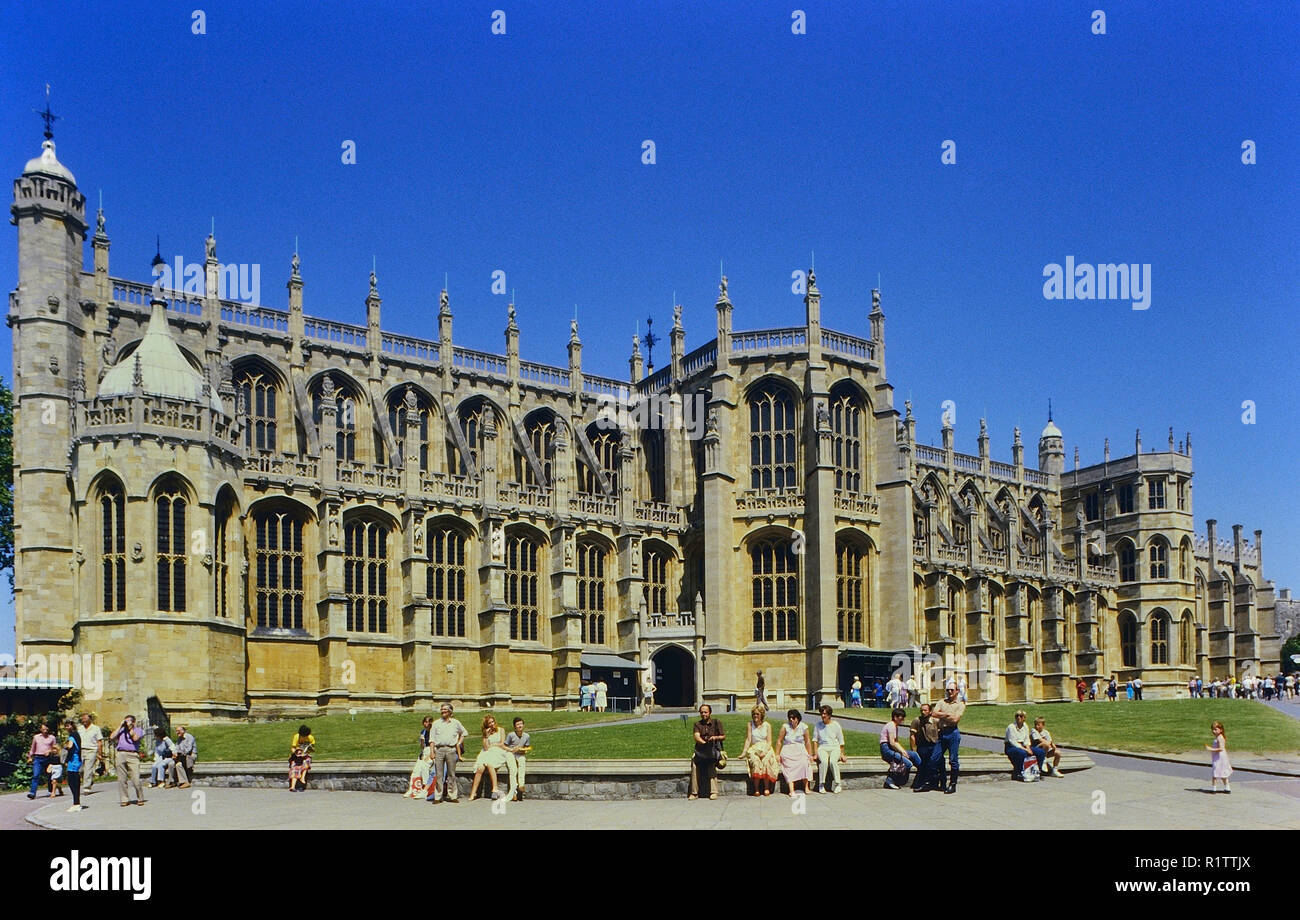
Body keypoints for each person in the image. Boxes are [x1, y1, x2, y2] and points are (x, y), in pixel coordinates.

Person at [468, 714, 518, 801]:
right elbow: (486, 747)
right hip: (486, 752)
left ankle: (494, 789)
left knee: (490, 764)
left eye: (493, 722)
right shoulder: (486, 733)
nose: (492, 724)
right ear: (486, 725)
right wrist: (486, 736)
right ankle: (473, 793)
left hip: (498, 751)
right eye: (489, 723)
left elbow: (502, 743)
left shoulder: (501, 730)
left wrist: (493, 745)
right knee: (480, 768)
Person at [426, 703, 468, 804]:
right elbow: (432, 739)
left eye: (445, 710)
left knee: (451, 774)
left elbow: (464, 733)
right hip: (439, 750)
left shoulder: (455, 723)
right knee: (439, 774)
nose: (443, 711)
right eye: (442, 710)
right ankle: (437, 796)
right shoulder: (436, 723)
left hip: (451, 750)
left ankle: (452, 795)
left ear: (450, 712)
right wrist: (432, 752)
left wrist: (458, 743)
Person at [932, 682, 965, 794]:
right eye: (948, 690)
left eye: (952, 690)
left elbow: (955, 720)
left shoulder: (960, 704)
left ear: (957, 691)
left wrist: (941, 714)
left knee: (953, 759)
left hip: (953, 733)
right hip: (942, 732)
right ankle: (941, 781)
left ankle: (953, 784)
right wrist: (947, 715)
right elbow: (933, 714)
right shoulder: (941, 702)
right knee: (935, 757)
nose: (949, 692)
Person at [688, 703, 725, 800]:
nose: (703, 714)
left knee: (711, 764)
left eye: (705, 712)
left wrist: (714, 737)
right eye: (702, 712)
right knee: (694, 764)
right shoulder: (697, 724)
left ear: (710, 713)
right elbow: (696, 736)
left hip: (713, 749)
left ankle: (714, 792)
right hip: (700, 749)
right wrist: (704, 744)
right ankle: (694, 793)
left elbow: (723, 736)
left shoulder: (716, 722)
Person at [740, 705, 778, 796]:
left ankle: (766, 788)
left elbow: (769, 741)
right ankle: (756, 789)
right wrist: (744, 752)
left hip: (765, 747)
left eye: (757, 714)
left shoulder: (767, 725)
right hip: (755, 748)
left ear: (762, 715)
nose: (755, 716)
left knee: (766, 762)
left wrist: (765, 752)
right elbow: (748, 740)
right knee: (756, 762)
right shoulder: (750, 724)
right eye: (753, 714)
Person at [880, 707, 922, 789]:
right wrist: (902, 752)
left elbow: (896, 743)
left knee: (913, 754)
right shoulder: (891, 726)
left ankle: (923, 773)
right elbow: (892, 743)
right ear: (895, 717)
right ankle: (890, 780)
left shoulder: (895, 726)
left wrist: (902, 751)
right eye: (901, 717)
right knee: (907, 764)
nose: (903, 719)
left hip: (891, 748)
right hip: (887, 749)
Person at [109, 714, 145, 806]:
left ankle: (140, 797)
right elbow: (112, 737)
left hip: (132, 754)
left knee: (136, 778)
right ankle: (124, 799)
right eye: (126, 721)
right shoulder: (121, 730)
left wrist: (130, 729)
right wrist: (120, 726)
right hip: (121, 753)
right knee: (122, 779)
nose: (127, 722)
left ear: (133, 722)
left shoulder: (138, 730)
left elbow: (135, 738)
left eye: (129, 721)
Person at [776, 709, 813, 797]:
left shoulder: (804, 727)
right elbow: (779, 741)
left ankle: (806, 787)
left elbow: (807, 741)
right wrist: (777, 754)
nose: (791, 720)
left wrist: (810, 754)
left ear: (797, 718)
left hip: (800, 749)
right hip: (788, 749)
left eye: (793, 718)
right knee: (788, 765)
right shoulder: (785, 726)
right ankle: (791, 789)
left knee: (805, 762)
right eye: (790, 718)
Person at [909, 703, 945, 792]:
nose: (923, 712)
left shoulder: (935, 721)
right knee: (924, 765)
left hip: (934, 746)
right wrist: (914, 750)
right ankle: (924, 783)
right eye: (921, 710)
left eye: (925, 710)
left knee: (940, 763)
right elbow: (912, 736)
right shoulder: (917, 721)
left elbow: (942, 732)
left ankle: (942, 784)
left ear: (930, 712)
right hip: (923, 746)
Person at [812, 705, 847, 794]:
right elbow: (815, 740)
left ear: (829, 715)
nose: (823, 716)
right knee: (823, 762)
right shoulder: (818, 725)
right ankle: (821, 784)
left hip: (834, 747)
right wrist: (815, 753)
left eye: (825, 714)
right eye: (822, 714)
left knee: (832, 762)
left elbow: (841, 741)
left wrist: (842, 754)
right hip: (823, 748)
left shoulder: (836, 725)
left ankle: (838, 784)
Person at [26, 722, 59, 800]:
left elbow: (55, 749)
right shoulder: (36, 737)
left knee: (49, 775)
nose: (45, 730)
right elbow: (32, 748)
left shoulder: (52, 738)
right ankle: (32, 793)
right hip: (38, 758)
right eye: (43, 729)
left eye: (46, 729)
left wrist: (49, 751)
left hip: (48, 758)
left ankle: (51, 790)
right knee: (36, 775)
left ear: (48, 729)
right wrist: (30, 757)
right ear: (41, 729)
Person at [505, 717, 532, 801]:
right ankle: (513, 793)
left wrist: (522, 750)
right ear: (514, 727)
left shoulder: (526, 736)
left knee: (522, 763)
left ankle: (521, 785)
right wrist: (512, 750)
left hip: (520, 754)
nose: (520, 726)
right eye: (517, 724)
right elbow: (505, 746)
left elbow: (527, 748)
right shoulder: (511, 735)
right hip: (510, 753)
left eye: (521, 724)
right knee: (513, 770)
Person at [60, 720, 84, 812]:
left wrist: (64, 746)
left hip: (73, 760)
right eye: (65, 726)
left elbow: (70, 746)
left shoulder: (73, 735)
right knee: (74, 781)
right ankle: (76, 802)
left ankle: (76, 803)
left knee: (72, 781)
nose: (67, 727)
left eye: (68, 726)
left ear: (72, 726)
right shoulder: (76, 734)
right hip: (75, 760)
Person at [77, 713, 103, 795]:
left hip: (91, 750)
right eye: (83, 719)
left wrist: (100, 753)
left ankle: (86, 788)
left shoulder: (96, 728)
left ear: (90, 719)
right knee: (80, 769)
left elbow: (99, 742)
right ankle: (89, 780)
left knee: (88, 769)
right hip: (81, 750)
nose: (84, 721)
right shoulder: (80, 729)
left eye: (85, 719)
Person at [1004, 710, 1034, 780]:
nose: (1018, 717)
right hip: (1011, 747)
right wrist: (1025, 749)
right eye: (1016, 716)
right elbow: (1013, 742)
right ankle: (1020, 772)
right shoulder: (1011, 727)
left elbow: (1026, 739)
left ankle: (1037, 771)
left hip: (1023, 746)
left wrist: (1028, 748)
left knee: (1039, 752)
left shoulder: (1025, 726)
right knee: (1022, 753)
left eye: (1020, 716)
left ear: (1024, 718)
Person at [1206, 721, 1232, 793]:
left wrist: (1211, 749)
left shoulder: (1220, 738)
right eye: (1213, 729)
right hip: (1218, 757)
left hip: (1220, 758)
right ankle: (1227, 787)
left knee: (1216, 773)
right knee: (1221, 773)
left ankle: (1214, 788)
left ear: (1221, 730)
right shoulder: (1218, 737)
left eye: (1215, 729)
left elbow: (1221, 748)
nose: (1214, 731)